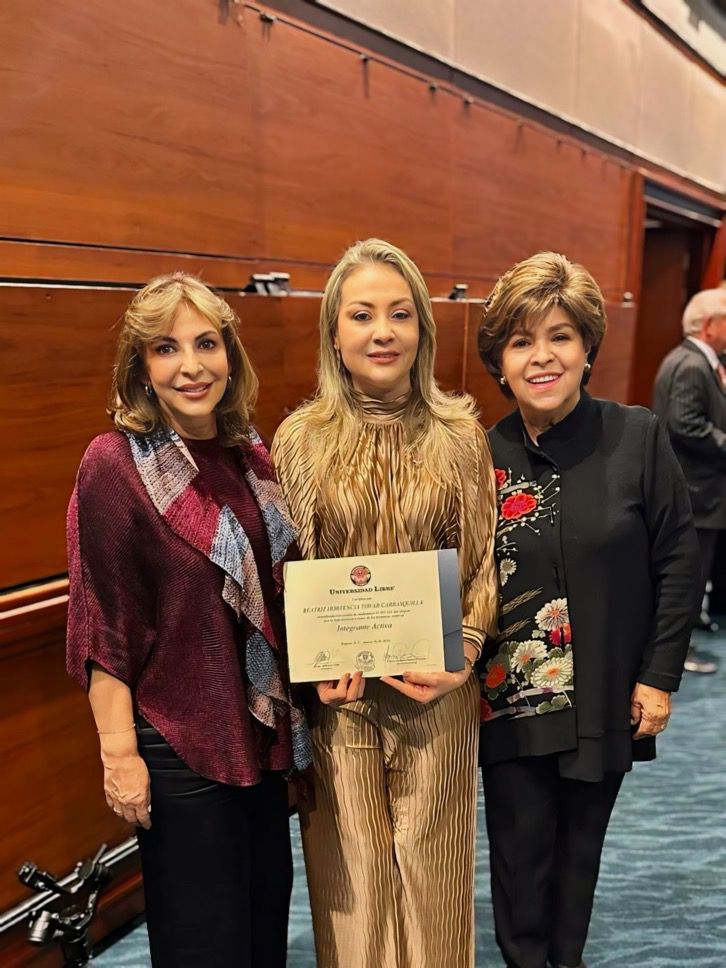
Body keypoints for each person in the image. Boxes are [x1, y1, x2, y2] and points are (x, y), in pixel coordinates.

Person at [66, 273, 311, 968]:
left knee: (262, 927)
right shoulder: (114, 464)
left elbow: (283, 590)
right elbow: (102, 622)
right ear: (140, 367)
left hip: (258, 741)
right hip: (179, 748)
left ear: (230, 354)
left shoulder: (250, 455)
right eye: (166, 348)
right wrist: (119, 757)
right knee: (202, 944)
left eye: (206, 343)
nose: (191, 365)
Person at [272, 239, 498, 968]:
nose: (382, 331)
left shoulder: (460, 435)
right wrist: (311, 668)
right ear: (334, 335)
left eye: (400, 314)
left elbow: (482, 561)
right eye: (362, 314)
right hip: (339, 700)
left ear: (422, 331)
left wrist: (462, 655)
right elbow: (290, 572)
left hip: (437, 695)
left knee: (433, 876)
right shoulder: (299, 441)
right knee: (353, 878)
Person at [476, 252, 700, 968]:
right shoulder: (477, 457)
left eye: (561, 336)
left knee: (578, 861)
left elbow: (679, 561)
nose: (542, 356)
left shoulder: (637, 437)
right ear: (501, 363)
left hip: (605, 693)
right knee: (518, 864)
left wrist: (659, 677)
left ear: (587, 349)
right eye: (521, 341)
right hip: (508, 702)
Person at [652, 288, 726, 674]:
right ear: (711, 325)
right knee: (687, 582)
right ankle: (676, 656)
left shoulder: (696, 360)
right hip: (696, 495)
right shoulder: (693, 364)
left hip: (702, 494)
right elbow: (686, 425)